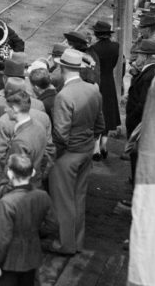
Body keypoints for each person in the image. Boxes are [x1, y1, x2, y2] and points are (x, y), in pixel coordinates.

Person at [0, 77, 50, 250]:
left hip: (3, 174)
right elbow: (49, 150)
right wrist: (41, 173)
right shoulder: (41, 116)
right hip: (34, 177)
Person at [48, 49, 105, 255]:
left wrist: (56, 155)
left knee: (63, 200)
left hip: (68, 154)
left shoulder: (63, 95)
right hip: (87, 150)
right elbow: (100, 125)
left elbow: (61, 134)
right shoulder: (93, 90)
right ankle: (77, 242)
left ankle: (66, 244)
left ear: (63, 68)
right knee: (79, 198)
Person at [0, 153, 56, 286]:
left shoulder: (7, 202)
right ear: (32, 173)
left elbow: (2, 238)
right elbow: (53, 224)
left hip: (9, 261)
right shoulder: (43, 196)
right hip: (32, 257)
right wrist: (36, 233)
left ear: (10, 174)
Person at [125, 39, 155, 184]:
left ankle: (135, 183)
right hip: (138, 120)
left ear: (145, 57)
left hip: (137, 122)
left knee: (135, 155)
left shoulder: (148, 76)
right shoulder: (148, 72)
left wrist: (131, 117)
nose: (137, 58)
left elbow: (142, 102)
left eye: (139, 55)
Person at [89, 20, 120, 160]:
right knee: (108, 113)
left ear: (96, 34)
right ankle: (104, 146)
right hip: (109, 81)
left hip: (97, 82)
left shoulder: (93, 49)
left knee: (97, 113)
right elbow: (113, 64)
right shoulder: (116, 47)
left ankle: (95, 149)